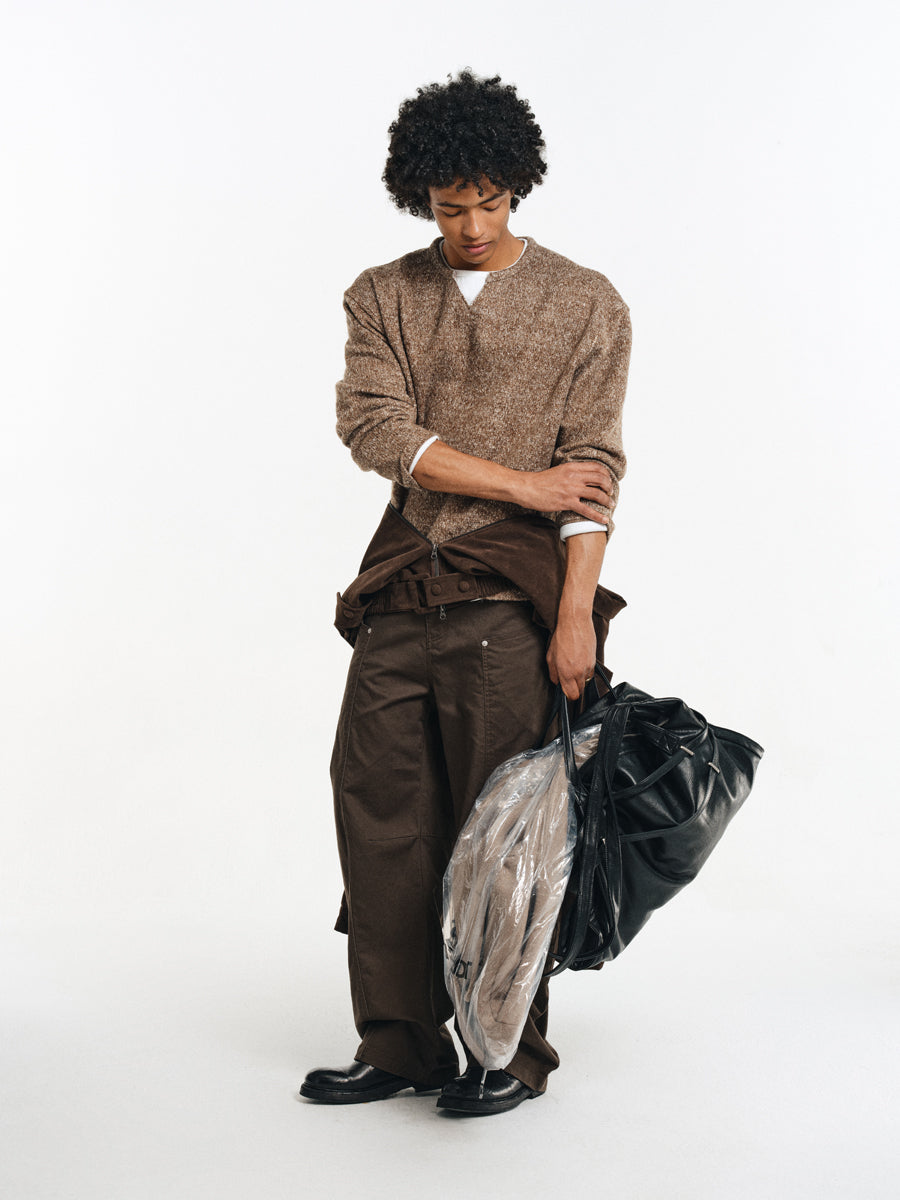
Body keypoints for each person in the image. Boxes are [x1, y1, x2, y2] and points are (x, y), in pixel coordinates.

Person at [299, 69, 632, 1115]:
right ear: (420, 198)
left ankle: (507, 1053)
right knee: (378, 816)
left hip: (509, 608)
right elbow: (375, 431)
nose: (474, 225)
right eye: (451, 207)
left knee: (507, 832)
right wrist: (522, 483)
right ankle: (401, 1044)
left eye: (490, 201)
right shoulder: (383, 295)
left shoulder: (585, 301)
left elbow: (591, 471)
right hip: (402, 590)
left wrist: (575, 616)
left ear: (517, 186)